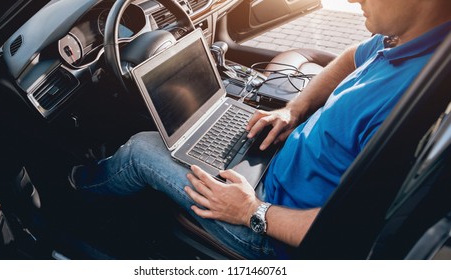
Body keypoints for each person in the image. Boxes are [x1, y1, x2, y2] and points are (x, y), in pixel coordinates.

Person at [70, 0, 451, 259]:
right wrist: (293, 111)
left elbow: (347, 232)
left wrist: (252, 211)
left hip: (271, 229)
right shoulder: (409, 43)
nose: (353, 1)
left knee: (141, 149)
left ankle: (69, 192)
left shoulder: (414, 107)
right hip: (272, 164)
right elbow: (352, 55)